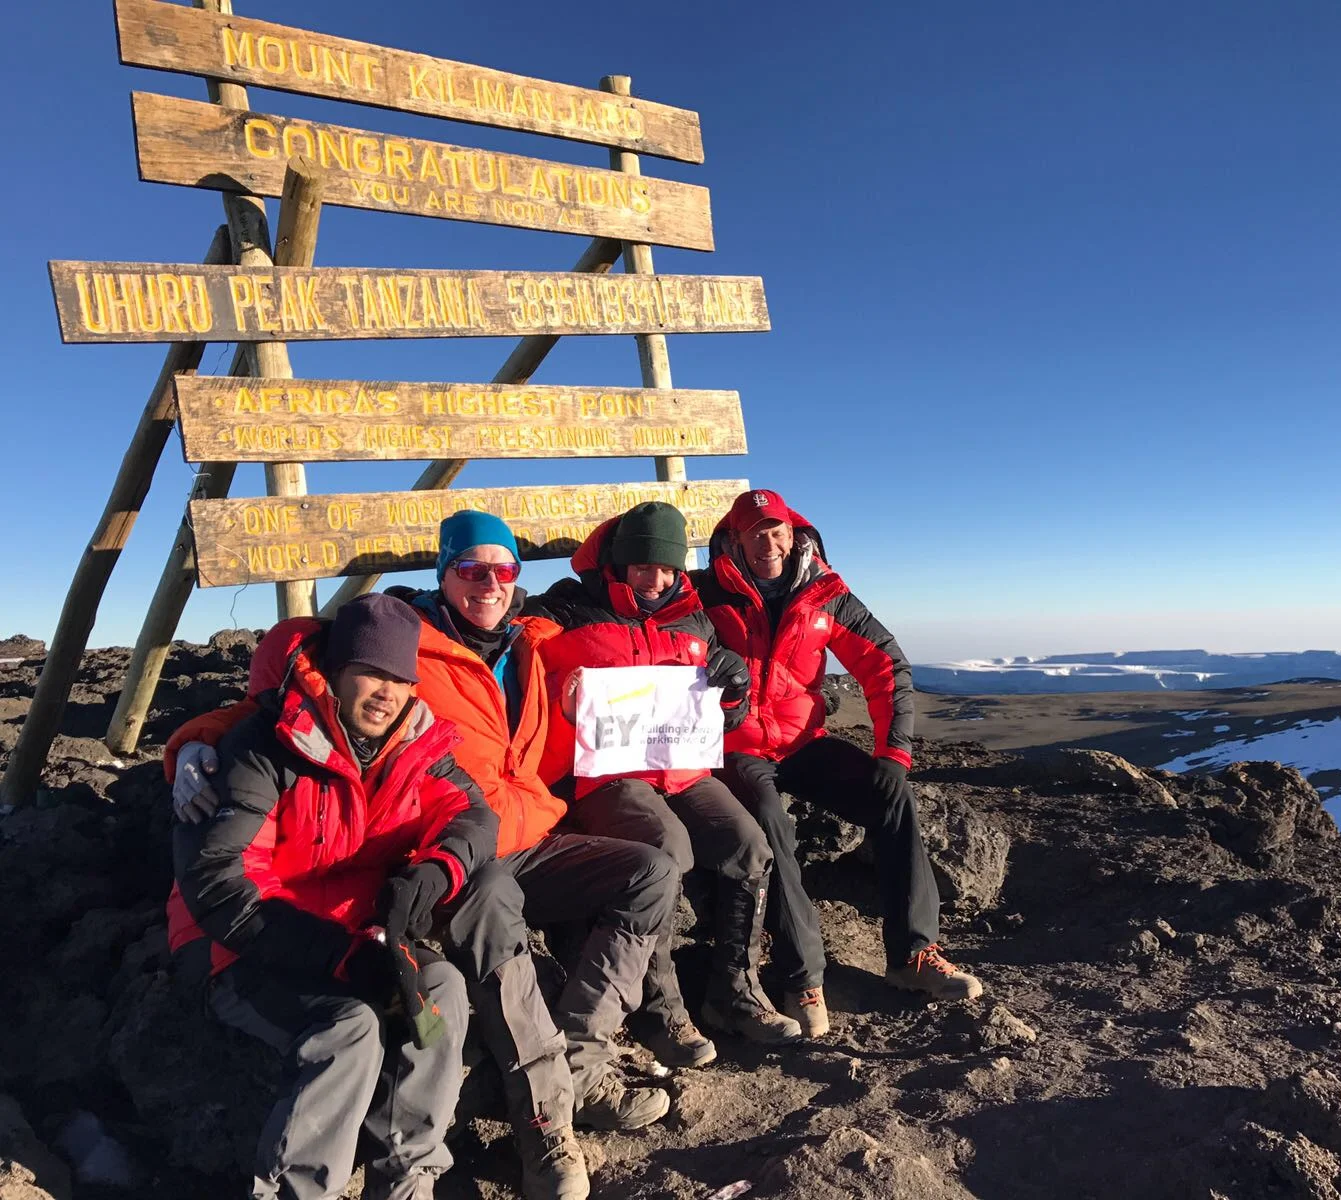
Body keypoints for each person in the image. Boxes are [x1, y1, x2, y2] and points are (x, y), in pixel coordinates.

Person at [173, 511, 690, 1200]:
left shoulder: (530, 647)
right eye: (472, 570)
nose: (489, 584)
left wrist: (704, 681)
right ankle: (544, 1120)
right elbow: (277, 695)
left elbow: (605, 689)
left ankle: (582, 1062)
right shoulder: (406, 645)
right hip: (433, 876)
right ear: (443, 573)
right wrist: (192, 741)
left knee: (652, 870)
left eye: (503, 571)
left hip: (503, 840)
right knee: (458, 933)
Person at [169, 593, 490, 1200]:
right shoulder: (260, 748)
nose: (387, 691)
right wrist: (339, 957)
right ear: (334, 674)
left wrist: (434, 872)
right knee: (352, 1026)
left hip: (352, 933)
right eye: (372, 671)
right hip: (237, 947)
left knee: (443, 989)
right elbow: (218, 881)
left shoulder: (413, 746)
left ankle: (406, 1178)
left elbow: (473, 815)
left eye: (400, 677)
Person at [694, 489, 983, 1038]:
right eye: (754, 533)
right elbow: (670, 639)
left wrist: (893, 751)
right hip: (736, 748)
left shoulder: (825, 593)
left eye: (775, 530)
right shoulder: (706, 593)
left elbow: (885, 665)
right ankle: (802, 975)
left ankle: (913, 956)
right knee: (767, 819)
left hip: (804, 741)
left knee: (891, 796)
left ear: (794, 533)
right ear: (732, 540)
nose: (767, 542)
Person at [534, 500, 801, 1045]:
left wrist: (735, 692)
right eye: (641, 565)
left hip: (684, 769)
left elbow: (726, 713)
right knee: (666, 849)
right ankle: (662, 1010)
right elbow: (513, 655)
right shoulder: (566, 610)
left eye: (666, 567)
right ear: (617, 560)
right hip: (608, 776)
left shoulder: (695, 616)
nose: (654, 579)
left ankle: (734, 994)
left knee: (748, 845)